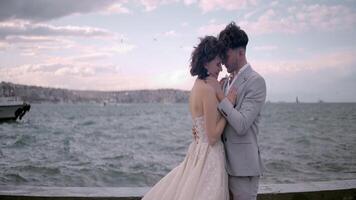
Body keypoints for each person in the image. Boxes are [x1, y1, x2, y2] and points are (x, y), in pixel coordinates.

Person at [142, 36, 237, 200]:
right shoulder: (207, 91)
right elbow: (213, 137)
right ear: (206, 63)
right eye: (217, 64)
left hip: (198, 150)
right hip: (210, 156)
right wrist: (229, 106)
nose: (220, 68)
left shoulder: (196, 86)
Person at [206, 22, 267, 200]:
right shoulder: (227, 81)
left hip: (243, 170)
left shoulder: (256, 81)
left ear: (240, 52)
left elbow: (241, 124)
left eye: (226, 54)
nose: (223, 60)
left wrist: (220, 96)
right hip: (223, 167)